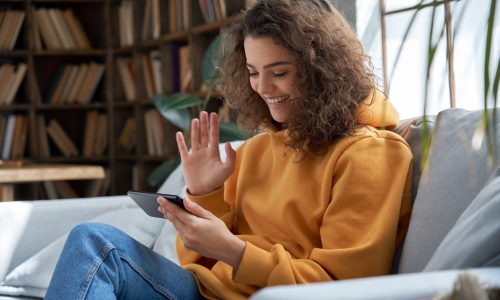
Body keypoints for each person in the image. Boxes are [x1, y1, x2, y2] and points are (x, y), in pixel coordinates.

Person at [45, 0, 413, 299]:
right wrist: (206, 194)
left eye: (280, 72)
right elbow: (202, 263)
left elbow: (346, 288)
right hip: (206, 293)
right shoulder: (257, 149)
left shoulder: (371, 155)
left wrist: (235, 252)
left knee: (97, 245)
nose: (263, 88)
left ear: (324, 69)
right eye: (253, 71)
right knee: (94, 242)